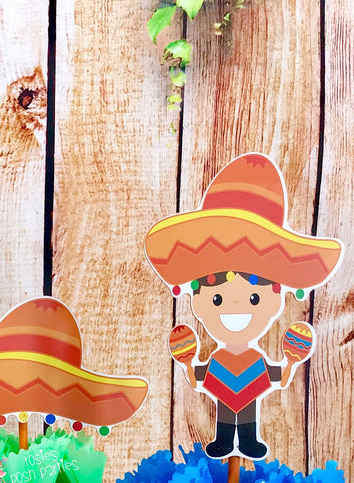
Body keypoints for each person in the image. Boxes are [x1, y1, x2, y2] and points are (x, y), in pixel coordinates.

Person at [145, 153, 343, 460]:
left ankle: (248, 440)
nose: (235, 308)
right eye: (217, 299)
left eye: (254, 298)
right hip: (222, 381)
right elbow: (199, 377)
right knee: (227, 412)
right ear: (198, 300)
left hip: (251, 385)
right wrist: (188, 362)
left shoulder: (255, 359)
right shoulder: (219, 358)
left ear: (275, 300)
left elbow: (278, 376)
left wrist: (290, 360)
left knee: (247, 412)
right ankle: (225, 440)